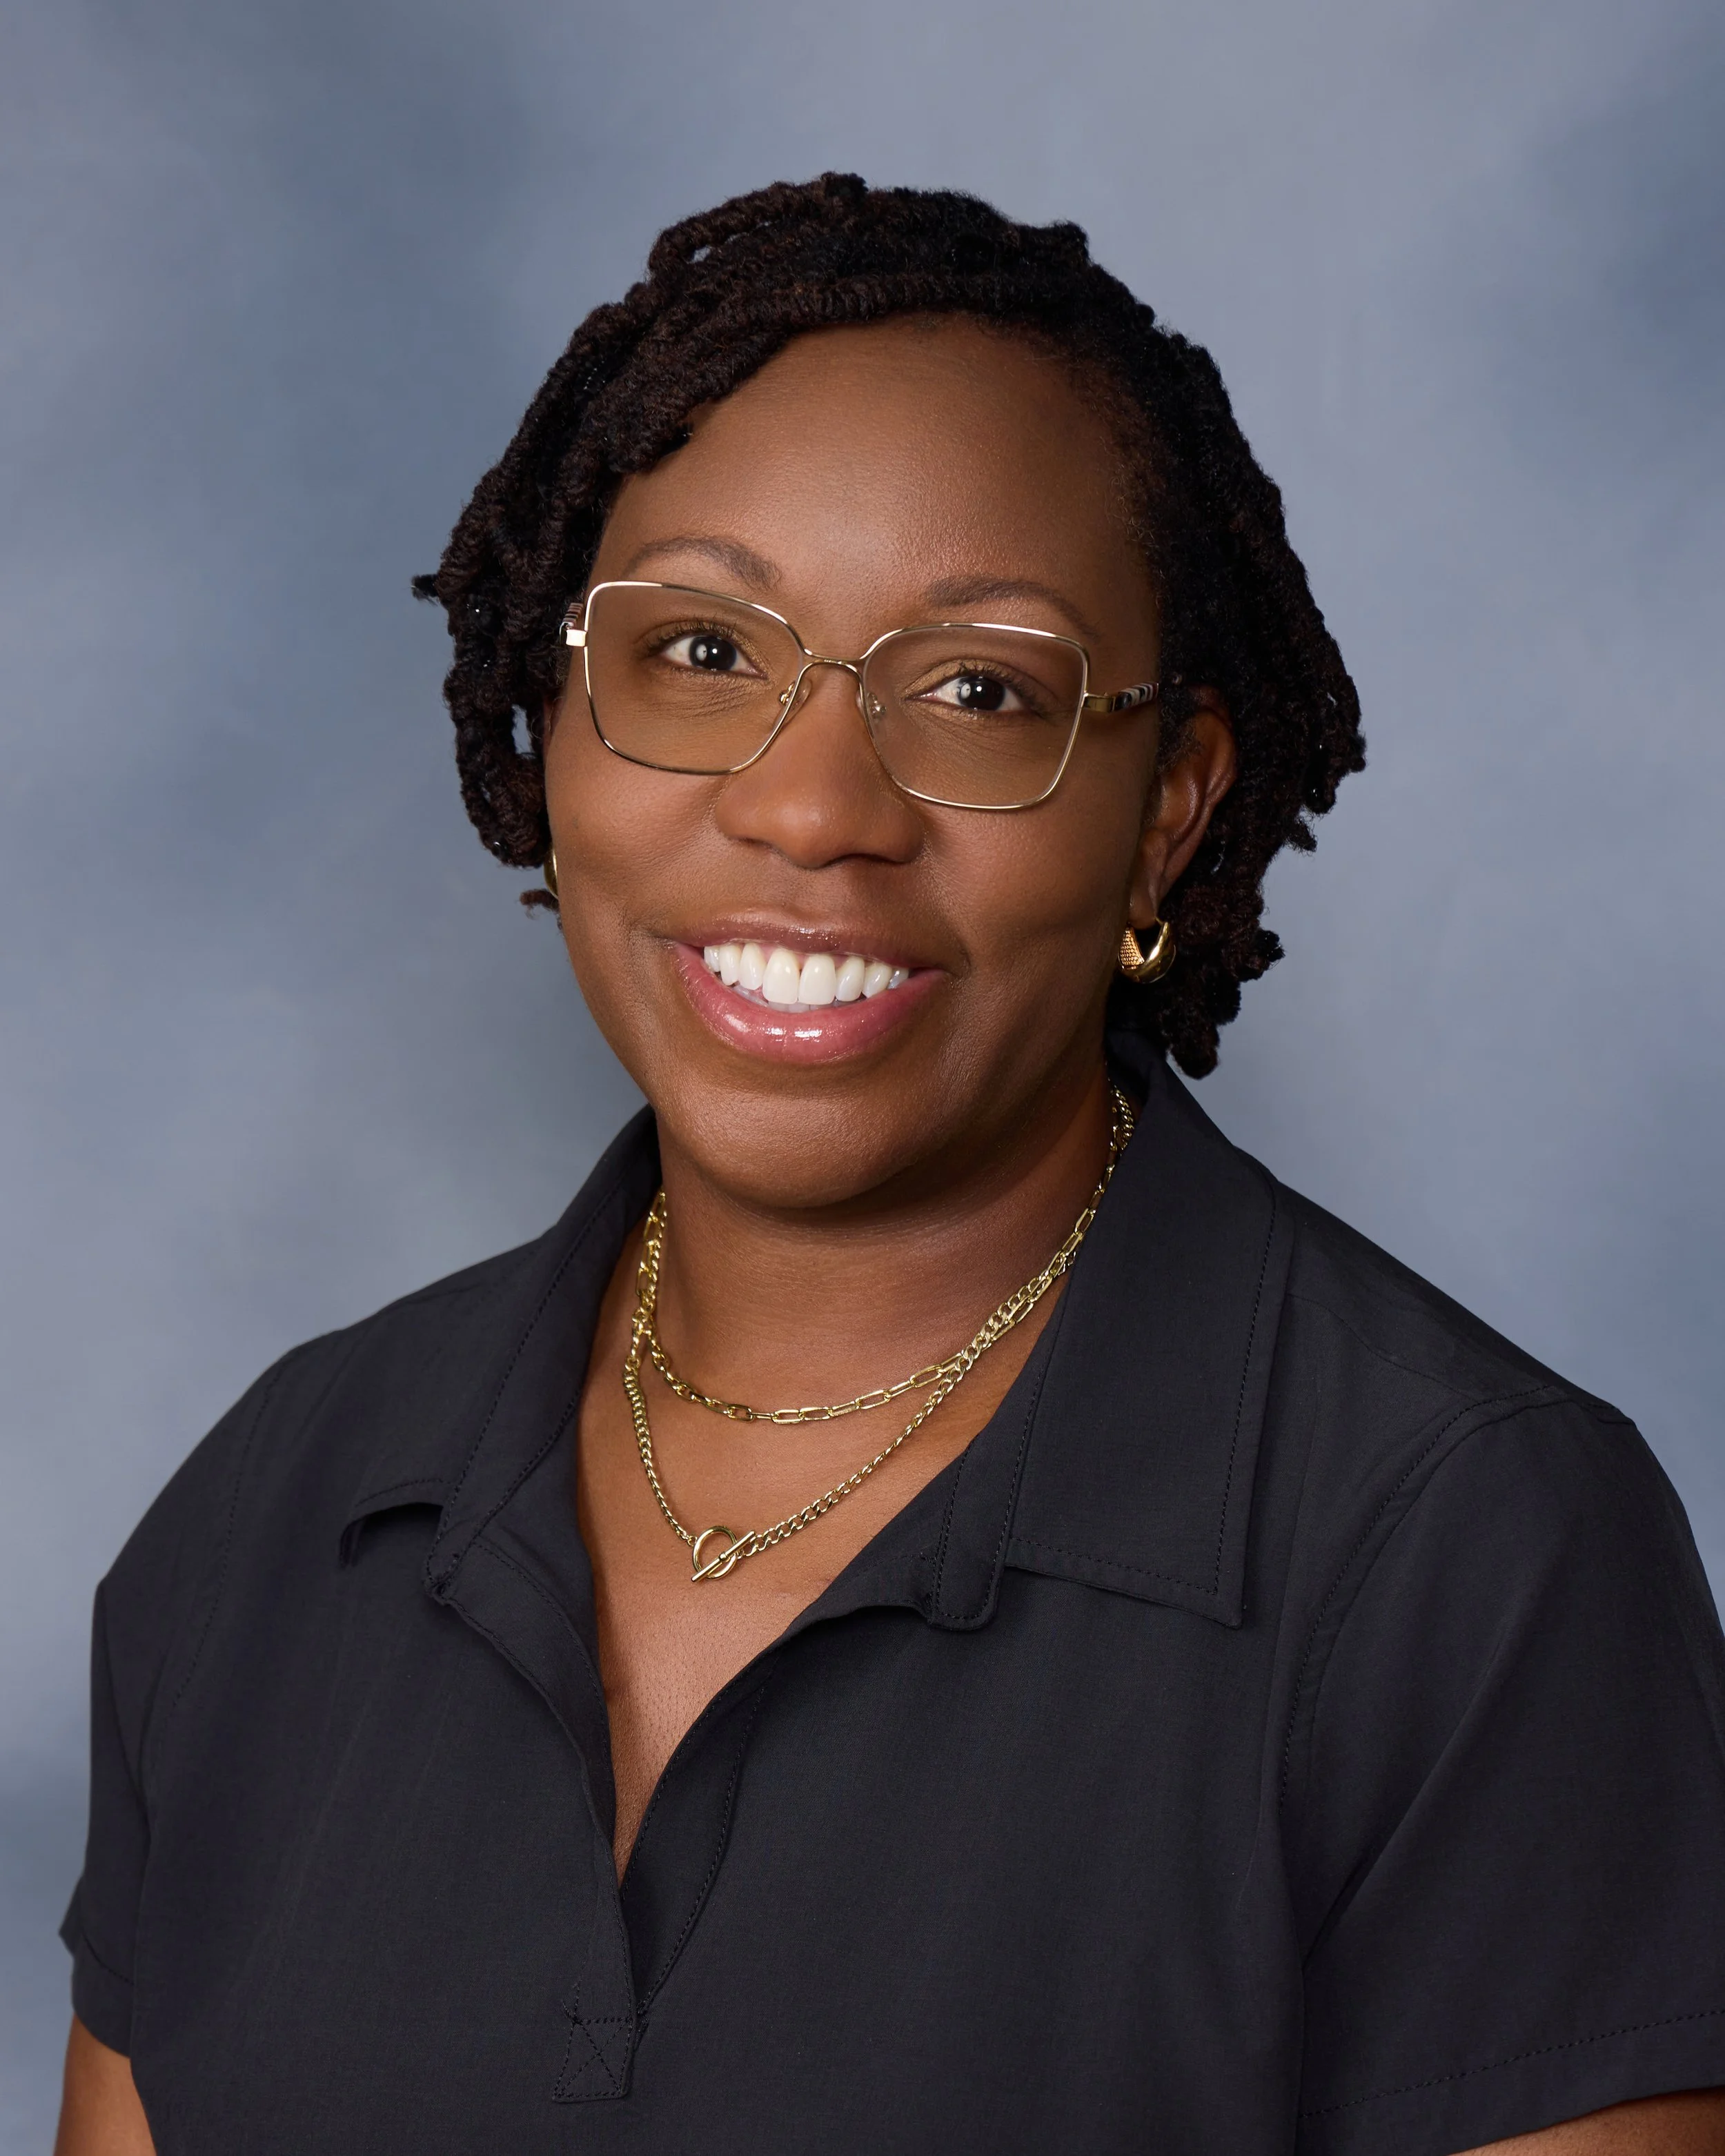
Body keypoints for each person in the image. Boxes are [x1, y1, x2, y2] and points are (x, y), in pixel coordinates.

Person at [55, 175, 1725, 2156]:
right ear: (554, 721)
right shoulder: (281, 1507)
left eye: (978, 691)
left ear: (1167, 809)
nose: (807, 805)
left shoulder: (1464, 1549)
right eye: (694, 651)